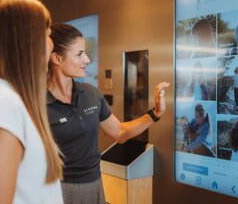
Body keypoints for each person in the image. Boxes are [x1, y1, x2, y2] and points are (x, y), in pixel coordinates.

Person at [47, 23, 170, 204]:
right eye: (80, 54)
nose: (87, 60)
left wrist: (155, 113)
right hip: (57, 189)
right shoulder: (37, 102)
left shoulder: (90, 93)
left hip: (94, 184)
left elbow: (119, 132)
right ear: (57, 58)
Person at [0, 0, 63, 203]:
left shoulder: (11, 101)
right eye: (48, 34)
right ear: (31, 41)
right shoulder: (2, 104)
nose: (51, 44)